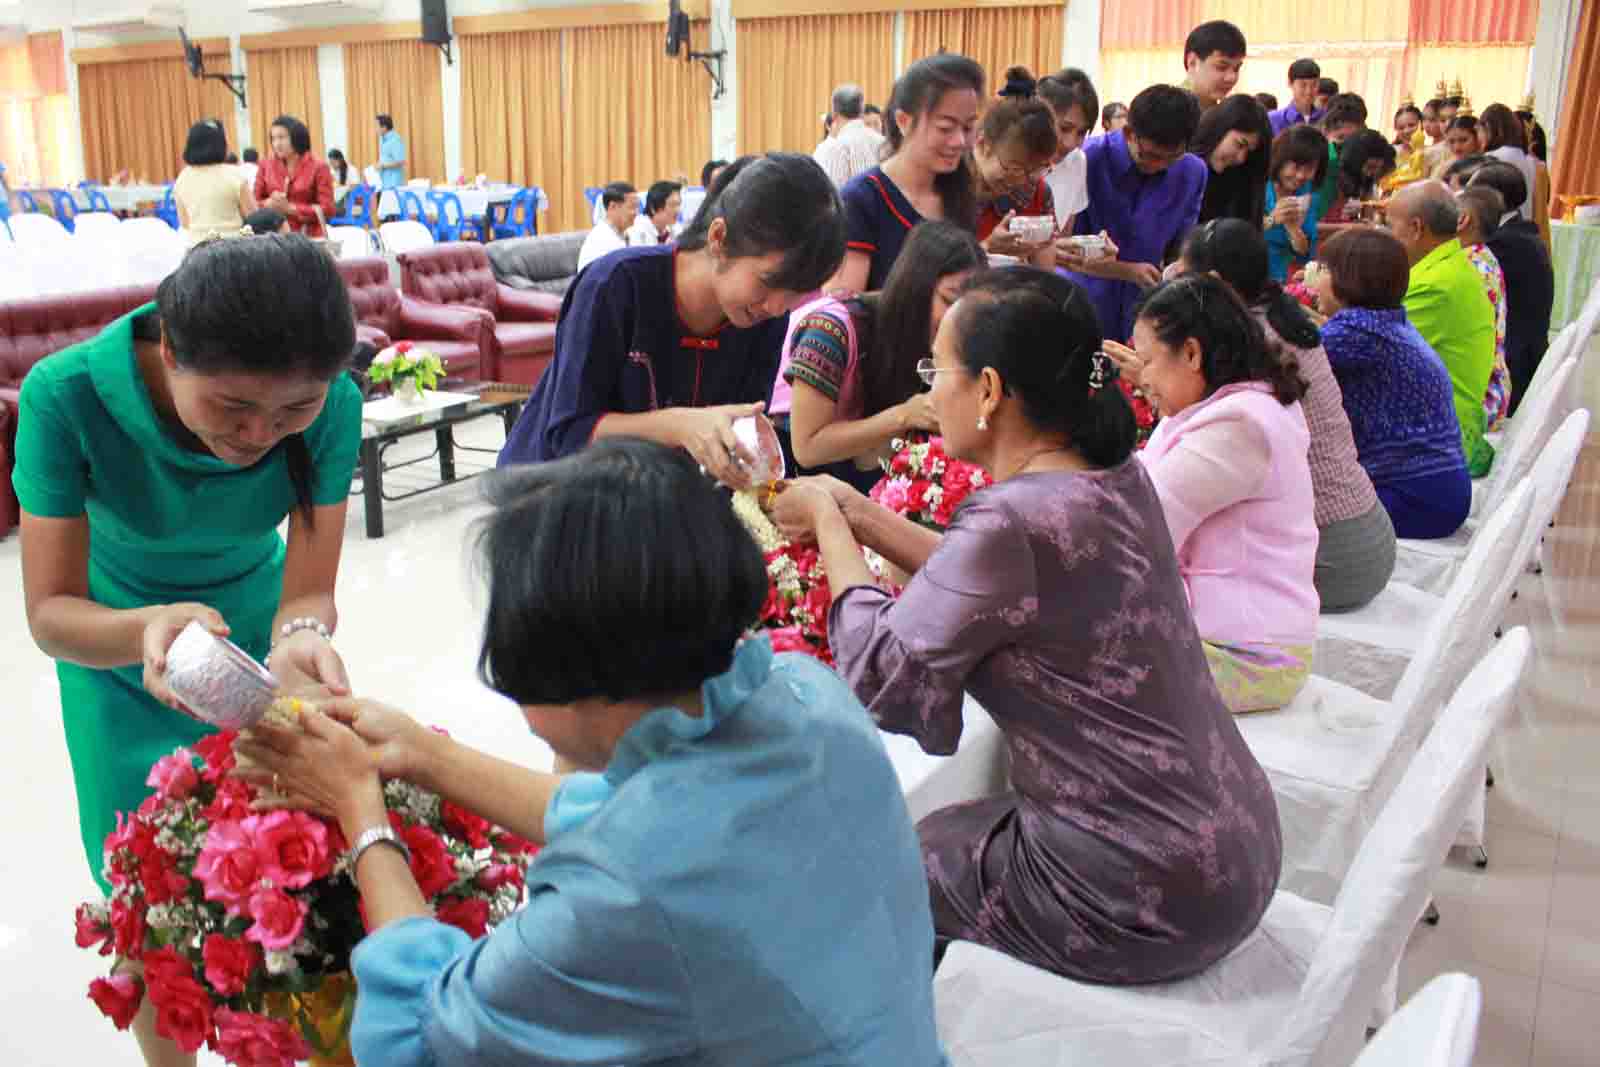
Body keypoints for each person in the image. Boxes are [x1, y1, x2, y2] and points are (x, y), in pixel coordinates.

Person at [236, 438, 949, 1067]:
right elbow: (636, 817)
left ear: (575, 677)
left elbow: (421, 1038)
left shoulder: (624, 891)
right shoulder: (804, 694)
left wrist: (361, 812)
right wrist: (420, 753)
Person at [766, 268, 1281, 983]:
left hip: (1145, 888)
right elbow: (982, 581)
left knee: (871, 864)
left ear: (988, 390)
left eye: (936, 372)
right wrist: (857, 514)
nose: (928, 394)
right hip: (1233, 838)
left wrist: (828, 521)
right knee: (942, 827)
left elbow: (882, 669)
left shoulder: (1015, 519)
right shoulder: (1112, 478)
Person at [12, 236, 361, 1066]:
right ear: (169, 348)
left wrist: (299, 640)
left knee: (285, 878)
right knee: (150, 902)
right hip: (116, 648)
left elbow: (307, 593)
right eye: (233, 405)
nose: (259, 434)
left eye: (293, 411)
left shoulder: (334, 402)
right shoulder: (65, 395)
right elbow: (50, 611)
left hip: (251, 644)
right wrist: (145, 628)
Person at [499, 154, 844, 478]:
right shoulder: (615, 285)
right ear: (719, 238)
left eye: (795, 294)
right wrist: (679, 426)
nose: (778, 308)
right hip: (549, 491)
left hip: (649, 497)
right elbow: (569, 434)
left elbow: (739, 430)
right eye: (769, 282)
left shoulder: (764, 317)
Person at [1174, 219, 1395, 611]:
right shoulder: (1281, 317)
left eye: (1184, 277)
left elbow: (1192, 458)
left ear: (1214, 283)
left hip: (1333, 558)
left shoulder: (1250, 345)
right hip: (1369, 532)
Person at [1129, 274, 1319, 712]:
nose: (1141, 378)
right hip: (1236, 637)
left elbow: (1140, 529)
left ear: (1191, 353)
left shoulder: (1239, 426)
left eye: (1147, 360)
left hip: (1247, 657)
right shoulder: (1224, 406)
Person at [771, 221, 984, 490]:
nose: (959, 319)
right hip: (787, 475)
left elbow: (869, 457)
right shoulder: (829, 330)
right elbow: (807, 448)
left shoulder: (932, 342)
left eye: (968, 309)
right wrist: (905, 415)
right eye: (949, 301)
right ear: (915, 287)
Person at [1314, 227, 1471, 539]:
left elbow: (1281, 362)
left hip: (1413, 499)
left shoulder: (1357, 333)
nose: (1316, 282)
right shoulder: (1385, 323)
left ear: (1348, 279)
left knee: (1283, 511)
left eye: (1324, 270)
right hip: (1440, 493)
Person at [1060, 84, 1206, 342]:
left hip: (1145, 311)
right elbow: (1061, 249)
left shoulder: (1192, 172)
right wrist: (1124, 270)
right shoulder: (1087, 159)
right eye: (1150, 155)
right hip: (1079, 301)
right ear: (1129, 133)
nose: (1159, 166)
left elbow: (1181, 245)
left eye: (1171, 158)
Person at [831, 53, 983, 295]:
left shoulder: (960, 192)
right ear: (903, 121)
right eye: (945, 128)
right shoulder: (862, 199)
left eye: (968, 127)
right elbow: (846, 302)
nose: (959, 141)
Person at [1388, 181, 1496, 477]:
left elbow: (1370, 350)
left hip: (1438, 443)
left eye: (1390, 225)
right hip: (1443, 423)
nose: (1387, 235)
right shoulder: (1449, 267)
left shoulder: (1435, 286)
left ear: (1416, 228)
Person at [1469, 163, 1555, 415]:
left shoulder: (1503, 244)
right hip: (1526, 354)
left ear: (1491, 198)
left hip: (1513, 370)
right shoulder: (1521, 233)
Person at [970, 96, 1058, 268]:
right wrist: (987, 248)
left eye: (1035, 170)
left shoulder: (1038, 192)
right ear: (983, 145)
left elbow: (1045, 275)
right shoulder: (944, 187)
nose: (1021, 181)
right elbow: (932, 271)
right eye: (1015, 168)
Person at [1455, 185, 1514, 431]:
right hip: (1493, 388)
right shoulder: (1482, 256)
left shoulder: (1468, 270)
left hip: (1481, 401)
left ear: (1462, 220)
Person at [1193, 94, 1273, 227]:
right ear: (1219, 128)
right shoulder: (1179, 165)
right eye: (1240, 144)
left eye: (1249, 152)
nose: (1241, 158)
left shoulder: (1242, 181)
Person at [1263, 124, 1328, 282]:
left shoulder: (1308, 193)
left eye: (1310, 169)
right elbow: (1239, 233)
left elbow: (1305, 254)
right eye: (1296, 167)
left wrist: (1293, 228)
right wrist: (1272, 219)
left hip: (1281, 280)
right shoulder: (1258, 184)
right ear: (1280, 160)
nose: (1301, 176)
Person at [173, 119, 254, 246]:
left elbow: (185, 223)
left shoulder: (182, 178)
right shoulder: (234, 174)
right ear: (221, 144)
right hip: (233, 248)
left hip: (197, 250)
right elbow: (253, 217)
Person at [1036, 68, 1098, 232]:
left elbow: (1064, 235)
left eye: (1081, 132)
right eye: (1064, 128)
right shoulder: (1010, 161)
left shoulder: (1077, 161)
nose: (1071, 144)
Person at [252, 114, 334, 237]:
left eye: (281, 137)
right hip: (273, 237)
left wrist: (291, 208)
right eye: (273, 139)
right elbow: (254, 203)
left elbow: (328, 209)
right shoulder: (265, 165)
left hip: (308, 237)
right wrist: (269, 204)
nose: (276, 144)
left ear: (297, 138)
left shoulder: (319, 167)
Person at [1480, 103, 1541, 229]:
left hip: (1500, 227)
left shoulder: (1493, 157)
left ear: (1489, 128)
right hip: (1524, 225)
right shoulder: (1529, 160)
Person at [815, 82, 887, 188]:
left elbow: (832, 192)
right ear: (862, 112)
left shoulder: (834, 147)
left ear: (834, 115)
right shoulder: (884, 143)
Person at [1182, 19, 1247, 111]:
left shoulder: (1225, 113)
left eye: (1236, 69)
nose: (1231, 78)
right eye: (1222, 67)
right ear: (1192, 62)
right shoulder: (1167, 111)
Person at [577, 182, 637, 271]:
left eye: (636, 207)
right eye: (632, 207)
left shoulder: (624, 233)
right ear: (613, 206)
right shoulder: (602, 239)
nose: (635, 212)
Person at [1268, 58, 1324, 136]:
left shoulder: (1326, 118)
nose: (1309, 91)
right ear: (1290, 83)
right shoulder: (1273, 120)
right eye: (1303, 85)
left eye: (1314, 85)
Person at [626, 180, 682, 246]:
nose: (678, 210)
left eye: (679, 204)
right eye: (672, 205)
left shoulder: (677, 228)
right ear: (653, 208)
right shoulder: (636, 230)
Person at [1432, 115, 1481, 179]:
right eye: (1451, 141)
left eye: (1463, 140)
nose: (1457, 147)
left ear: (1478, 137)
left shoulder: (1487, 165)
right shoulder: (1443, 169)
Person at [376, 112, 406, 190]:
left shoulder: (396, 140)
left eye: (377, 126)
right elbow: (385, 158)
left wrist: (383, 166)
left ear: (384, 127)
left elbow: (401, 162)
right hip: (383, 181)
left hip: (394, 183)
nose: (376, 129)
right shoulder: (381, 139)